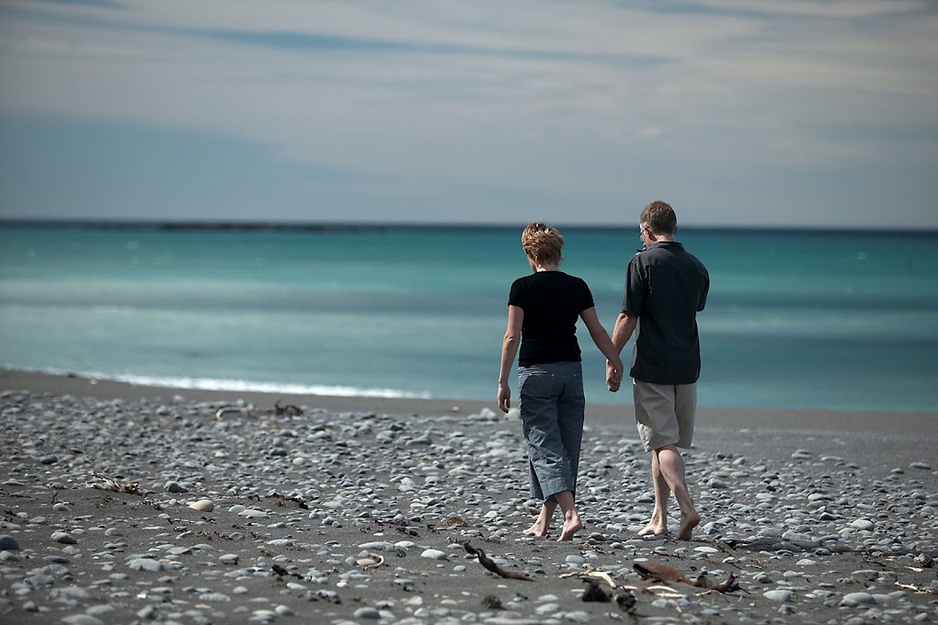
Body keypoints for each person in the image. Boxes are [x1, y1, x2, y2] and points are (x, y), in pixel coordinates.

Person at [497, 222, 624, 541]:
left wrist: (503, 380)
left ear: (530, 253)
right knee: (565, 448)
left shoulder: (522, 287)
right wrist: (615, 358)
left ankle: (570, 514)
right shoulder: (577, 285)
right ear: (558, 253)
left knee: (543, 444)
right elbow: (596, 331)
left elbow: (512, 336)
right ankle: (544, 520)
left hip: (537, 373)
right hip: (571, 372)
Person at [606, 201, 709, 541]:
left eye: (641, 234)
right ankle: (659, 519)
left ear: (647, 231)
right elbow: (695, 308)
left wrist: (612, 356)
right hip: (688, 365)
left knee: (662, 443)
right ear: (674, 228)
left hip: (653, 365)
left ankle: (687, 506)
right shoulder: (697, 266)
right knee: (662, 443)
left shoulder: (641, 262)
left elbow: (627, 316)